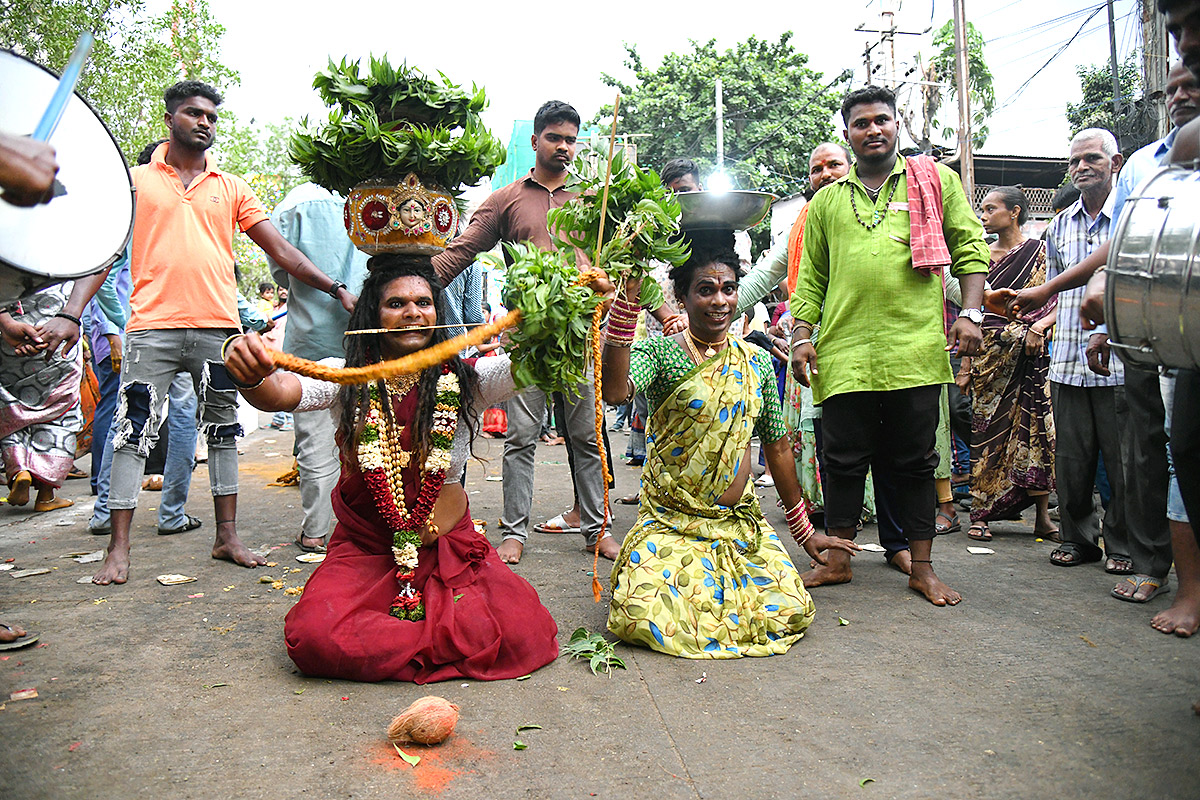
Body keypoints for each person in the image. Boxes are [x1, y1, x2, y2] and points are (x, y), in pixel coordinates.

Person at [222, 255, 559, 682]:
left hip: (448, 549)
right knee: (314, 637)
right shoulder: (345, 377)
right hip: (366, 550)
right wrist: (250, 370)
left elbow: (534, 364)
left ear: (439, 312)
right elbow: (281, 392)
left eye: (423, 302)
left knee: (521, 633)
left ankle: (406, 639)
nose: (413, 313)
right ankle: (433, 639)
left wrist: (564, 309)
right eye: (396, 304)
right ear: (372, 315)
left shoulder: (469, 379)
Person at [92, 80, 356, 585]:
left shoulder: (231, 187)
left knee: (223, 433)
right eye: (194, 113)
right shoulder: (133, 182)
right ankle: (118, 549)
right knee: (132, 434)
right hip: (152, 328)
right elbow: (105, 254)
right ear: (170, 118)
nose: (205, 122)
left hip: (220, 332)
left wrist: (336, 287)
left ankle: (227, 537)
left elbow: (283, 253)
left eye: (211, 116)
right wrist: (69, 313)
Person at [430, 101, 672, 565]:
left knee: (587, 436)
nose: (564, 147)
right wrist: (407, 287)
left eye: (571, 139)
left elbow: (633, 261)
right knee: (521, 437)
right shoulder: (505, 199)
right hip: (527, 338)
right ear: (536, 140)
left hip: (583, 337)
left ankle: (596, 528)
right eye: (555, 138)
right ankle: (515, 533)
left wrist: (663, 311)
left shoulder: (598, 198)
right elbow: (459, 253)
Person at [601, 232, 860, 657]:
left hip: (738, 525)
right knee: (642, 612)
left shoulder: (755, 360)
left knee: (787, 609)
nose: (719, 300)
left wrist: (804, 533)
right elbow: (614, 392)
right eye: (705, 290)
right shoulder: (662, 355)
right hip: (672, 523)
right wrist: (625, 309)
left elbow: (776, 447)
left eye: (728, 288)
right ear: (681, 298)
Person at [790, 85, 990, 606]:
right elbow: (811, 278)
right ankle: (837, 561)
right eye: (861, 123)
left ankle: (921, 568)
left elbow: (970, 245)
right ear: (847, 133)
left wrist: (970, 312)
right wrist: (801, 336)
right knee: (842, 461)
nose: (873, 129)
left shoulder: (934, 181)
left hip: (915, 351)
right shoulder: (828, 201)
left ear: (897, 124)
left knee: (915, 464)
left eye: (882, 119)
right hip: (844, 353)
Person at [266, 181, 369, 553]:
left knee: (314, 439)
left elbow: (282, 270)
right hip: (364, 338)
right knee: (365, 433)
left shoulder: (295, 203)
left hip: (311, 338)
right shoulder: (371, 196)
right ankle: (362, 525)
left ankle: (315, 531)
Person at [955, 187, 1057, 542]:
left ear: (1014, 212)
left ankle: (1043, 517)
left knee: (1035, 431)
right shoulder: (978, 258)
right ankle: (981, 513)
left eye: (990, 209)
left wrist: (1039, 327)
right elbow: (971, 314)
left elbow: (1054, 298)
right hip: (989, 355)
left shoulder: (1040, 252)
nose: (983, 216)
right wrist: (967, 366)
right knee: (986, 430)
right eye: (981, 209)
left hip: (1030, 353)